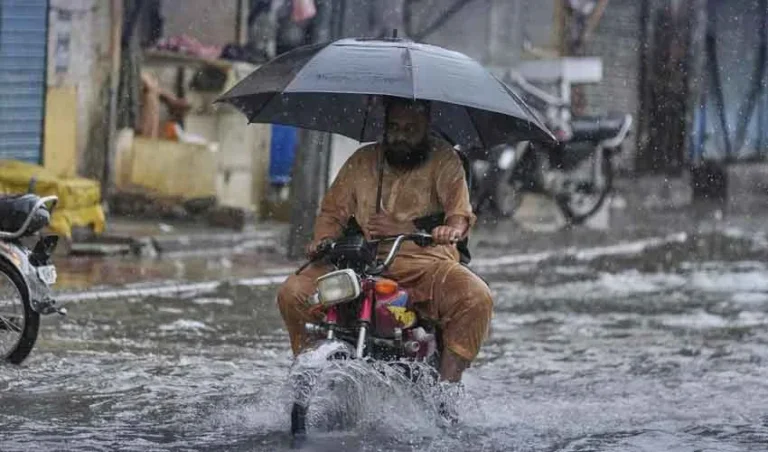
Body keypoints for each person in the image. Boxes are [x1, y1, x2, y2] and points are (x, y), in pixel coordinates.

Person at [276, 96, 493, 383]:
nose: (400, 136)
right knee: (292, 292)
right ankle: (309, 376)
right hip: (361, 263)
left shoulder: (445, 159)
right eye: (394, 127)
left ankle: (447, 389)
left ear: (427, 126)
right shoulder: (362, 160)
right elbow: (332, 212)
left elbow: (460, 216)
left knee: (476, 297)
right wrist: (323, 239)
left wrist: (441, 229)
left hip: (425, 264)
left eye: (410, 129)